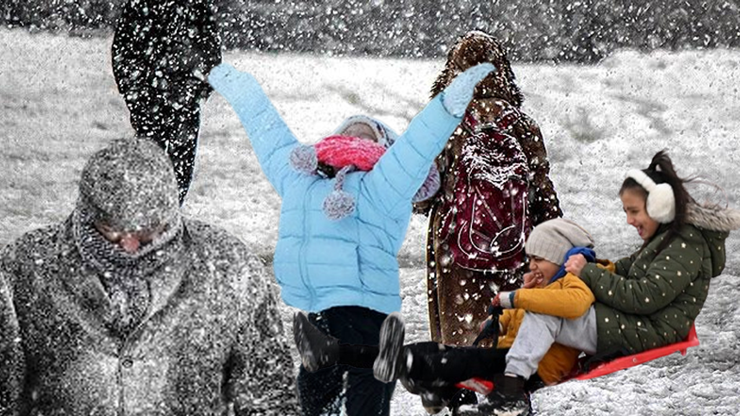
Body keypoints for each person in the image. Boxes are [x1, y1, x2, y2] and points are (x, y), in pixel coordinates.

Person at [206, 61, 495, 416]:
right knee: (315, 397)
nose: (357, 135)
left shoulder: (384, 183)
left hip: (365, 306)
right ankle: (378, 363)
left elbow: (417, 146)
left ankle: (385, 360)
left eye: (369, 134)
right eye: (350, 131)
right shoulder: (303, 178)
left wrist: (449, 104)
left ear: (385, 148)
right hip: (319, 312)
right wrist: (239, 86)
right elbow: (267, 131)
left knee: (365, 396)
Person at [0, 138, 299, 415]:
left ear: (170, 215)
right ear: (87, 213)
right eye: (111, 231)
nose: (129, 247)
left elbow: (269, 396)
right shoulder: (25, 268)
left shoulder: (230, 267)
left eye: (146, 232)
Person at [481, 150, 739, 415]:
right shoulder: (668, 237)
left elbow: (645, 296)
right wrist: (579, 268)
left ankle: (512, 392)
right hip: (641, 323)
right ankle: (517, 384)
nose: (629, 220)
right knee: (554, 305)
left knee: (548, 309)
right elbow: (626, 268)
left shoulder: (684, 245)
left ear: (661, 206)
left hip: (651, 330)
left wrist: (589, 274)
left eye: (634, 211)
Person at [293, 217, 600, 415]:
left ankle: (409, 371)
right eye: (530, 259)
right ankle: (344, 354)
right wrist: (511, 309)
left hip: (524, 365)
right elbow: (527, 324)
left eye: (539, 259)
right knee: (435, 357)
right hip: (512, 358)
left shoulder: (572, 285)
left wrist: (519, 296)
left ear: (562, 257)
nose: (532, 266)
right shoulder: (552, 288)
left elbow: (569, 308)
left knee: (432, 360)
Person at [412, 30, 563, 347]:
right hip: (513, 246)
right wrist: (557, 242)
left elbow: (422, 193)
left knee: (459, 341)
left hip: (455, 250)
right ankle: (507, 387)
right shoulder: (524, 125)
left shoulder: (444, 125)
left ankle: (459, 385)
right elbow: (543, 192)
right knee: (507, 333)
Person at [112, 0, 221, 204]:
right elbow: (122, 52)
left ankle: (167, 216)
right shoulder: (140, 6)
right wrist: (135, 93)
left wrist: (197, 88)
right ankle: (152, 219)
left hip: (179, 99)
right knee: (152, 165)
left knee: (178, 168)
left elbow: (211, 52)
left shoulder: (195, 6)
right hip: (152, 99)